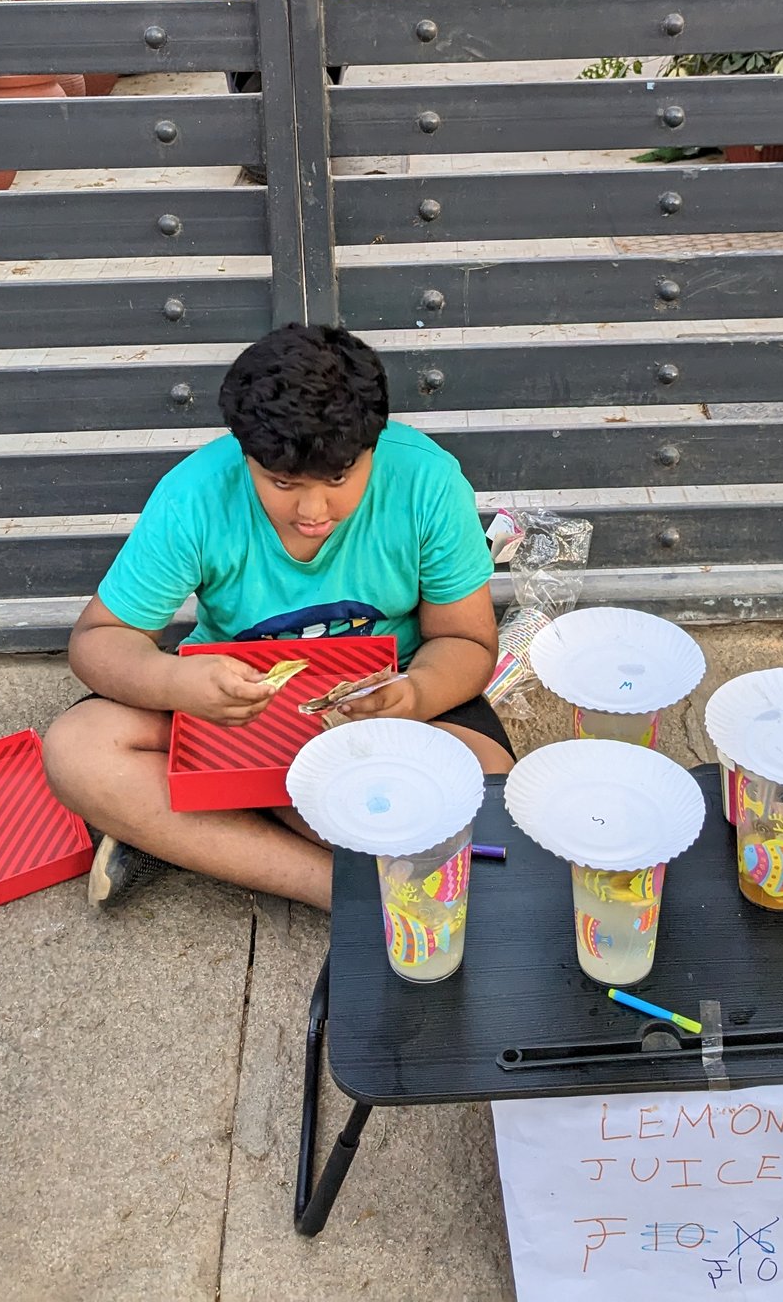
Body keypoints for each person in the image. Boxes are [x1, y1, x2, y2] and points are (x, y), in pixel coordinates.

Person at [42, 323, 512, 913]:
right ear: (246, 455)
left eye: (340, 480)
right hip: (231, 711)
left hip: (376, 713)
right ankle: (344, 892)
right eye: (283, 483)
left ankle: (188, 830)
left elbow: (464, 639)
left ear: (375, 444)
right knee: (77, 749)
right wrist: (177, 682)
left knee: (489, 785)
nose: (313, 512)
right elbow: (98, 640)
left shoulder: (427, 481)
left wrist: (412, 695)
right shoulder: (195, 494)